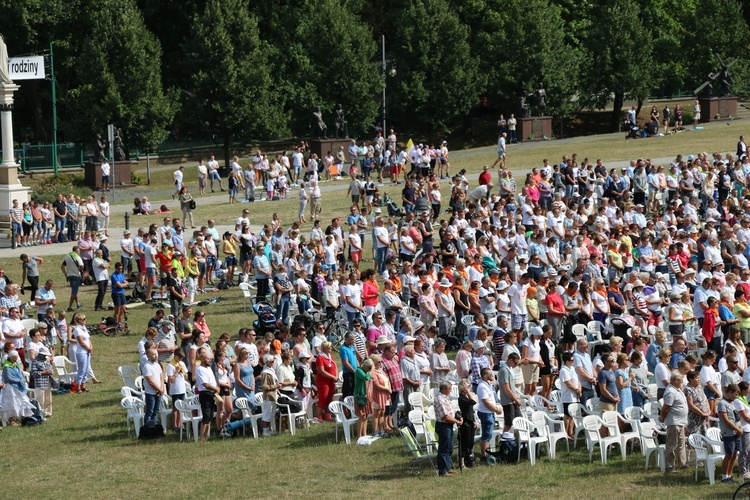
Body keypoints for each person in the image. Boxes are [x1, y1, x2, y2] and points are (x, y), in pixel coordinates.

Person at [660, 370, 688, 474]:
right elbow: (666, 407)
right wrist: (662, 417)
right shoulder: (670, 392)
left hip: (681, 422)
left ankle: (682, 463)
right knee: (672, 445)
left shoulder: (677, 389)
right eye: (680, 380)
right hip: (674, 422)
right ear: (675, 380)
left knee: (681, 443)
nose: (682, 382)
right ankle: (670, 467)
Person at [434, 380, 463, 477]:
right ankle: (442, 471)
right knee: (444, 448)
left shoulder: (446, 398)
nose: (450, 391)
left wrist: (459, 417)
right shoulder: (439, 399)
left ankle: (447, 468)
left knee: (449, 447)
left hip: (449, 425)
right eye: (449, 389)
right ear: (443, 389)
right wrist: (457, 421)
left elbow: (452, 410)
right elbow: (445, 417)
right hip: (443, 425)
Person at [1, 350, 34, 426]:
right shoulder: (6, 367)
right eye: (14, 357)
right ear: (10, 357)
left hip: (18, 387)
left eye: (16, 357)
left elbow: (20, 373)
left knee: (22, 401)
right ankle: (11, 420)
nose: (16, 359)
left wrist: (21, 379)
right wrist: (18, 381)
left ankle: (24, 417)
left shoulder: (16, 365)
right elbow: (9, 378)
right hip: (10, 388)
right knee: (11, 403)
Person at [718, 383, 743, 483]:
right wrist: (737, 429)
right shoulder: (722, 403)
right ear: (729, 392)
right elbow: (726, 420)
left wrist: (739, 428)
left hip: (736, 433)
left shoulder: (732, 403)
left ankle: (729, 475)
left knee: (734, 454)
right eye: (735, 394)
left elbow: (737, 417)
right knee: (729, 454)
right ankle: (724, 477)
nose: (736, 396)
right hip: (728, 433)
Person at [142, 347, 165, 428]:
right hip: (150, 393)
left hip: (159, 392)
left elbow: (162, 377)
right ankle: (148, 429)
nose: (155, 356)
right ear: (148, 355)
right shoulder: (147, 366)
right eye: (153, 354)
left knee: (156, 411)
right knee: (150, 412)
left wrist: (161, 389)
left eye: (156, 354)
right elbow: (150, 382)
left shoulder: (157, 365)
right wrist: (159, 390)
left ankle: (154, 428)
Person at [559, 352, 581, 438]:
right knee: (567, 416)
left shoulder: (572, 369)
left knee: (573, 415)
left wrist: (579, 389)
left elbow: (577, 380)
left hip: (575, 396)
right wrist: (577, 390)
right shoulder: (564, 370)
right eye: (572, 360)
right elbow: (568, 383)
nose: (573, 362)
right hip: (568, 397)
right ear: (566, 361)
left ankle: (570, 433)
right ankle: (566, 433)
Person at [315, 341, 338, 422]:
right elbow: (321, 371)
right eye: (330, 347)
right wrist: (333, 377)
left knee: (329, 397)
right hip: (323, 381)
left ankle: (328, 414)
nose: (331, 348)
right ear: (325, 348)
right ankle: (319, 416)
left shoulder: (331, 356)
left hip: (332, 381)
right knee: (323, 398)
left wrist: (336, 376)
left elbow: (335, 366)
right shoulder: (320, 357)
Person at [354, 357, 374, 438]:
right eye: (368, 368)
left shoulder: (365, 372)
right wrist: (371, 370)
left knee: (365, 416)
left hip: (365, 396)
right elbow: (366, 378)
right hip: (360, 396)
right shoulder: (359, 371)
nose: (369, 369)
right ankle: (359, 435)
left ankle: (364, 434)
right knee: (361, 416)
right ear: (365, 366)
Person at [61, 246, 84, 311]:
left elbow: (62, 266)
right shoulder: (77, 257)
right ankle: (70, 306)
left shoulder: (67, 256)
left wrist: (66, 274)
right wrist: (81, 268)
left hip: (70, 275)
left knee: (74, 290)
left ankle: (78, 303)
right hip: (76, 275)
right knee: (74, 292)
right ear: (77, 251)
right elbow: (82, 266)